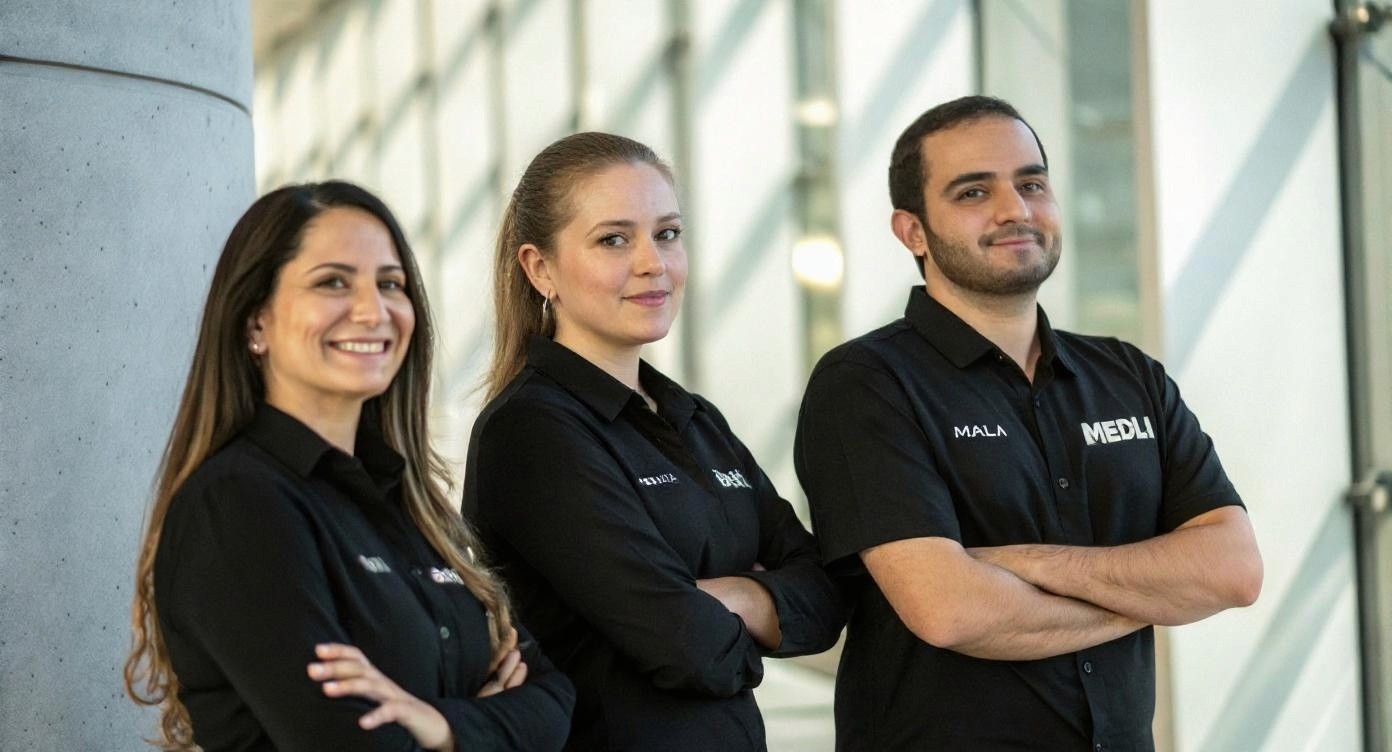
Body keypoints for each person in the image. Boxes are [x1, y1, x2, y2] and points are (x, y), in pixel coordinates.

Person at [794, 96, 1264, 751]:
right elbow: (950, 610)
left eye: (1031, 184)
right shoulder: (867, 384)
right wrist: (1152, 593)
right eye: (973, 192)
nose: (1014, 209)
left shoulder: (1127, 375)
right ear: (913, 232)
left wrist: (1023, 564)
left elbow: (1233, 571)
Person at [123, 181, 574, 751]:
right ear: (256, 321)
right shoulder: (237, 505)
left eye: (390, 284)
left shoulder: (407, 501)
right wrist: (483, 726)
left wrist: (439, 725)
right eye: (333, 282)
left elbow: (554, 700)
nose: (373, 310)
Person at [463, 132, 844, 751]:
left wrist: (724, 598)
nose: (652, 262)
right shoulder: (533, 431)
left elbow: (826, 599)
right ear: (540, 268)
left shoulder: (694, 418)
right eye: (614, 240)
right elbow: (689, 649)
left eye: (667, 234)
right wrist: (756, 607)